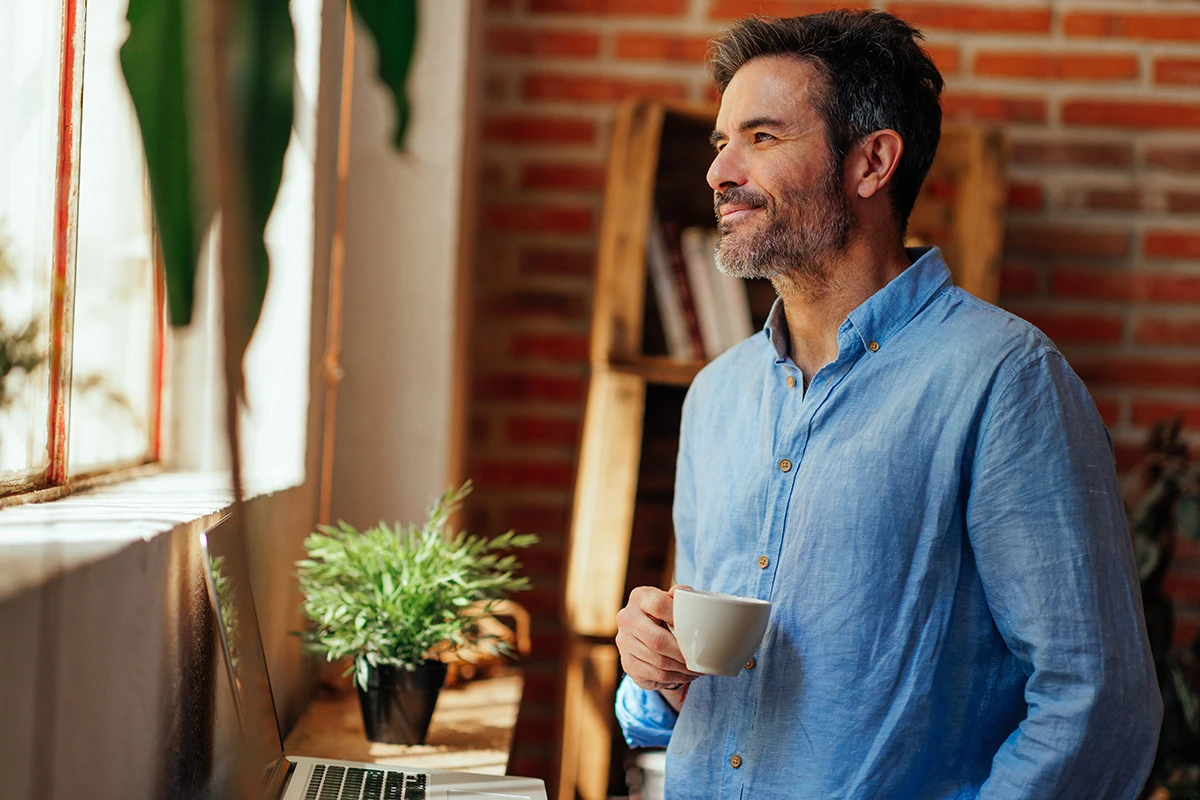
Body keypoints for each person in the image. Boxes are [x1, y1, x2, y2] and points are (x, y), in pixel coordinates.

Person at [613, 10, 1162, 799]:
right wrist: (656, 665)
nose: (719, 172)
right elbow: (708, 692)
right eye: (720, 141)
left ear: (871, 162)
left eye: (762, 139)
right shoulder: (716, 397)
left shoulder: (1005, 381)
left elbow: (1097, 704)